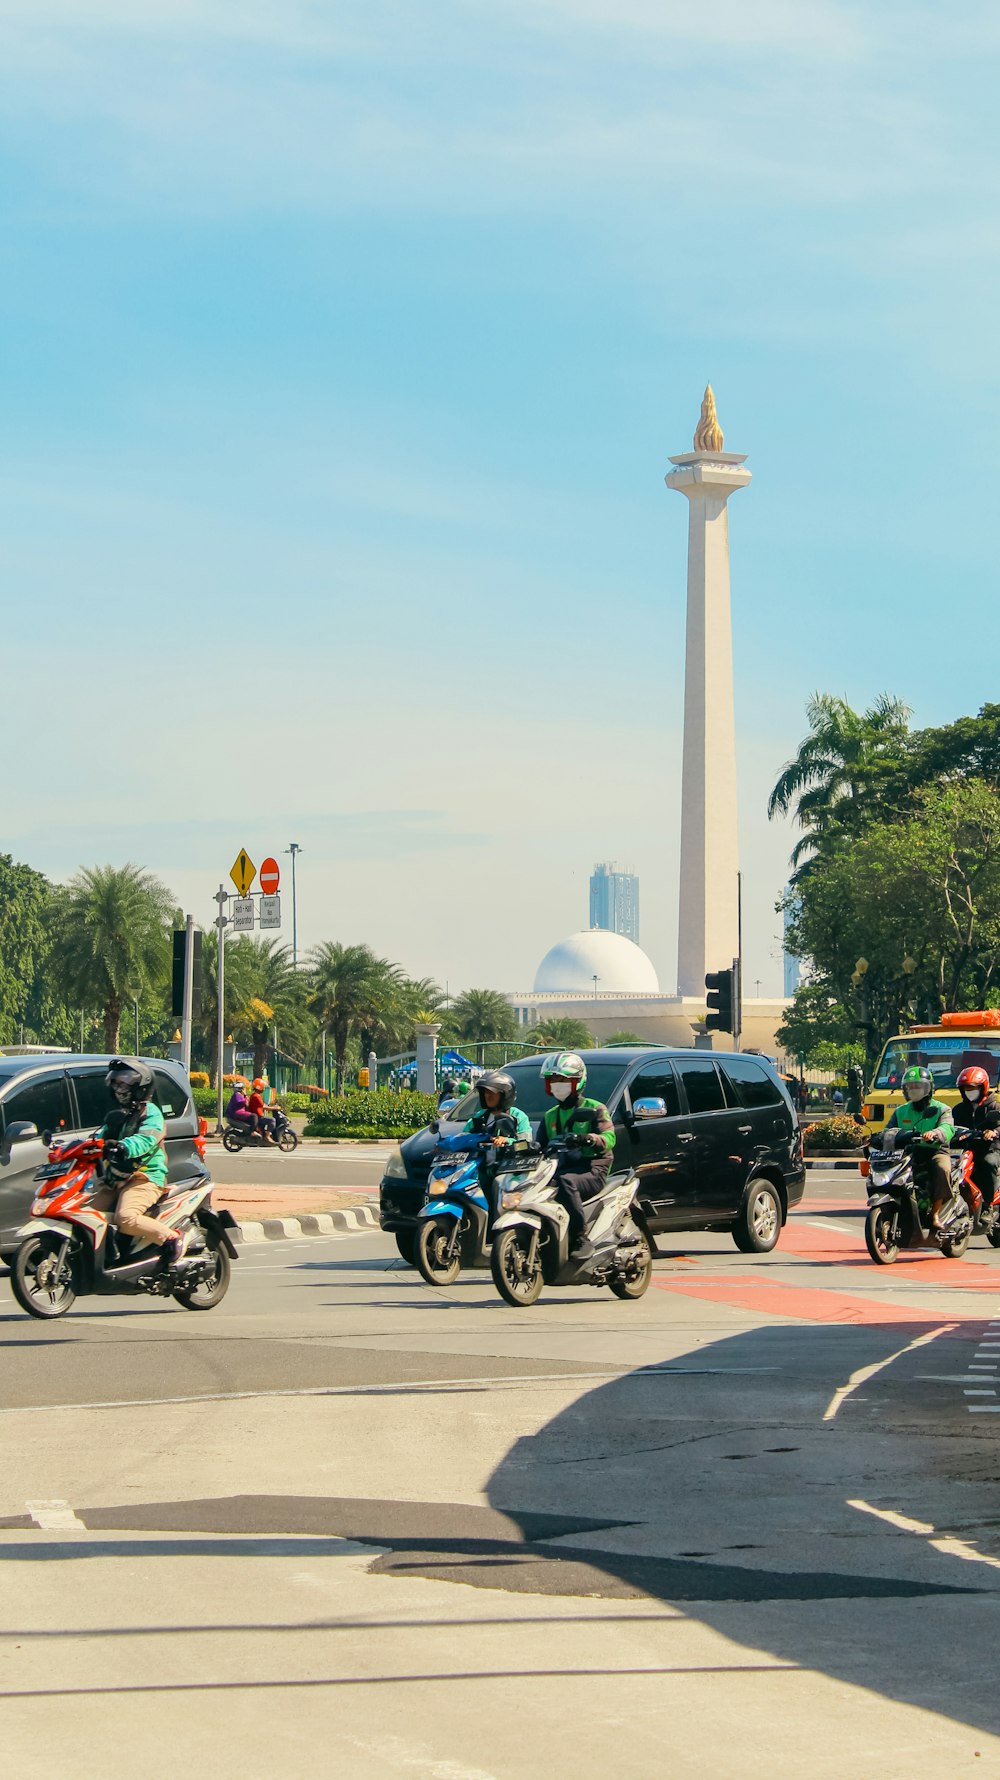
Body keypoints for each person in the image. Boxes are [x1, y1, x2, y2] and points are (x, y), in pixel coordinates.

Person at [91, 1058, 184, 1264]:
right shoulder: (117, 1116)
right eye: (116, 1083)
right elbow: (96, 1139)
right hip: (116, 1179)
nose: (119, 1088)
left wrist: (124, 1146)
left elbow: (146, 1138)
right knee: (87, 1216)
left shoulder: (150, 1113)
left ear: (140, 1087)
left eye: (124, 1084)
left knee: (125, 1218)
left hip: (144, 1178)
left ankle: (171, 1238)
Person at [536, 1051, 615, 1259]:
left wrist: (589, 1138)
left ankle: (581, 1236)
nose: (557, 1084)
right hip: (560, 1167)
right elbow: (540, 1146)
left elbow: (609, 1137)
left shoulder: (595, 1108)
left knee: (565, 1182)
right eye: (553, 1080)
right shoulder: (550, 1115)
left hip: (593, 1168)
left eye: (563, 1080)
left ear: (577, 1082)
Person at [882, 1064, 955, 1230]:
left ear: (929, 1088)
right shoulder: (900, 1111)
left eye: (918, 1086)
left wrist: (935, 1133)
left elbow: (948, 1128)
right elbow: (889, 1130)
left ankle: (935, 1214)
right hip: (908, 1153)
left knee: (942, 1168)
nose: (914, 1089)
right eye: (910, 1086)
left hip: (934, 1151)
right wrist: (875, 1138)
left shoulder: (942, 1109)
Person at [953, 1066, 1000, 1216]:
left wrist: (994, 1132)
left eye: (972, 1088)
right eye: (966, 1088)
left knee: (988, 1162)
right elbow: (950, 1127)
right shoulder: (958, 1110)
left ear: (982, 1088)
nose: (969, 1092)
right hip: (965, 1149)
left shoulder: (994, 1106)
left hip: (989, 1148)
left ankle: (988, 1203)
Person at [463, 1071, 531, 1144]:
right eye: (486, 1092)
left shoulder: (518, 1117)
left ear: (504, 1095)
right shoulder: (478, 1117)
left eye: (492, 1092)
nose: (488, 1096)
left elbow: (526, 1142)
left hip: (508, 1155)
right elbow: (463, 1140)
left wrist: (507, 1141)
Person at [248, 1078, 277, 1145]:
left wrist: (271, 1107)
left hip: (258, 1116)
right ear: (259, 1087)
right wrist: (274, 1108)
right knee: (272, 1120)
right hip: (258, 1117)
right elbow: (263, 1106)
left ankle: (264, 1136)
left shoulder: (254, 1095)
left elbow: (262, 1106)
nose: (264, 1088)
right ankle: (267, 1136)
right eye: (263, 1087)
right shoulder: (256, 1096)